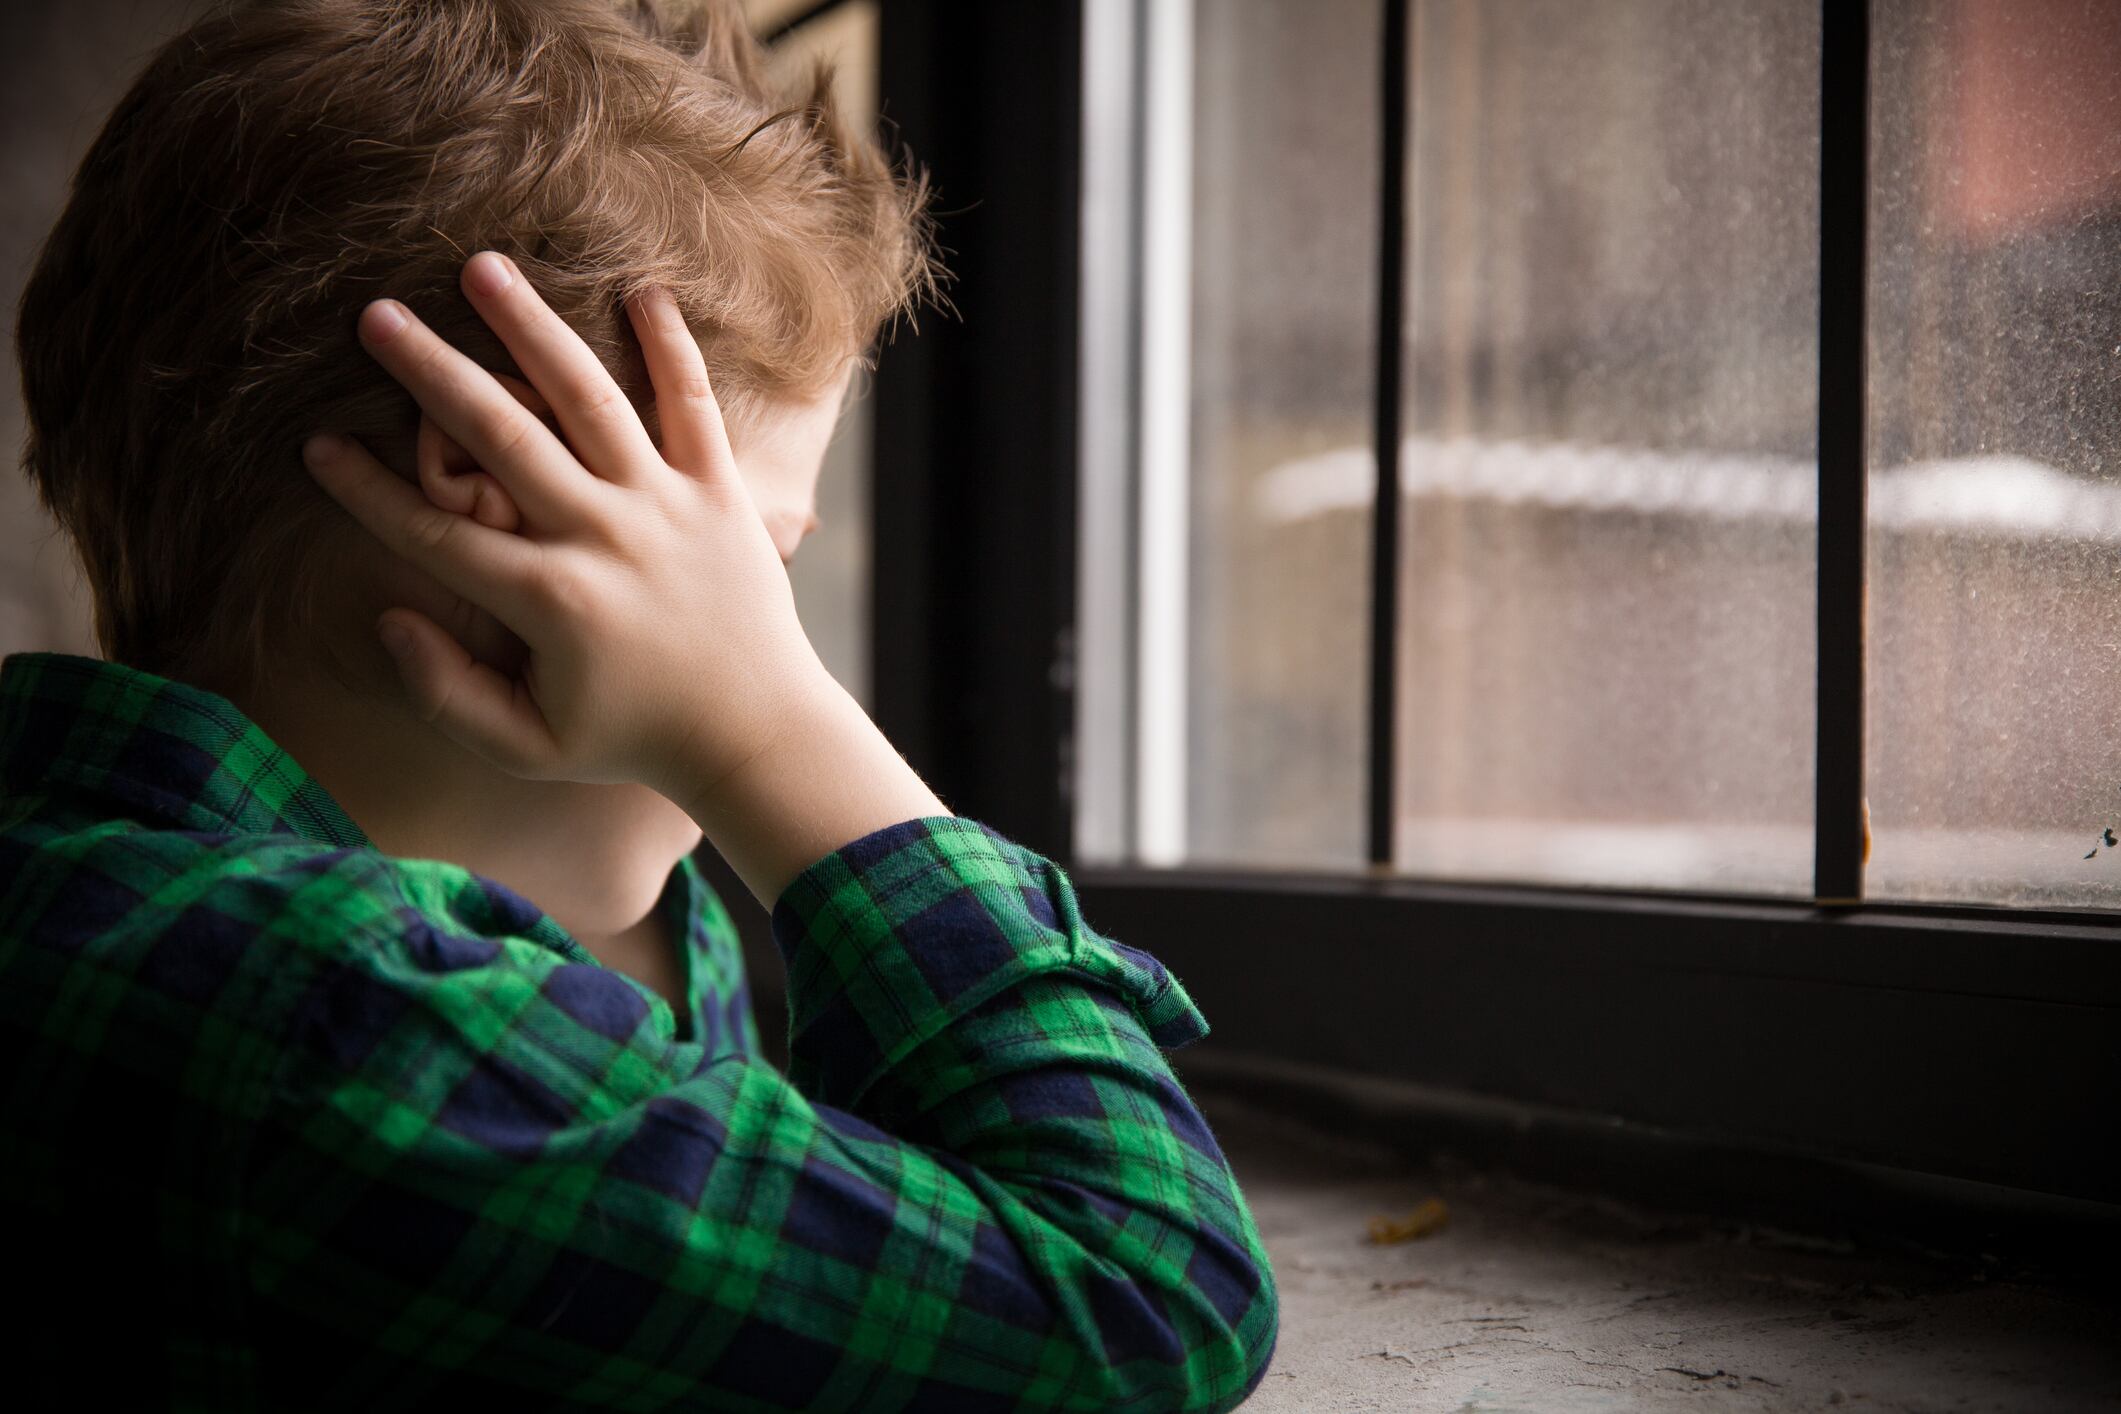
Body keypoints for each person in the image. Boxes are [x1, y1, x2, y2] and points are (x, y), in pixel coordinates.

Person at [0, 1, 1277, 1408]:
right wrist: (763, 730)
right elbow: (1148, 1293)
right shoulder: (340, 1021)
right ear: (502, 496)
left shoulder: (110, 897)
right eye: (747, 575)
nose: (767, 647)